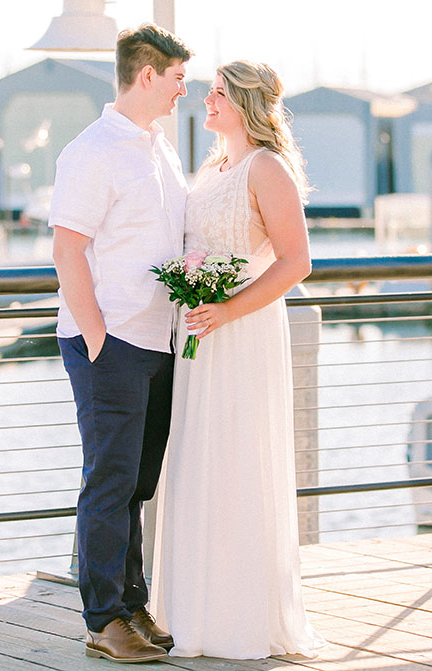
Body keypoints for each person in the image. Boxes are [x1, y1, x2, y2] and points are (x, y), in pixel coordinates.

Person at [153, 60, 325, 659]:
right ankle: (193, 611)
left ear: (245, 103)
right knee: (201, 460)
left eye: (219, 92)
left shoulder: (265, 167)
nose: (207, 98)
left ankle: (241, 618)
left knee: (238, 460)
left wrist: (227, 310)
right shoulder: (211, 168)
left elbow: (295, 261)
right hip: (200, 336)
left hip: (242, 333)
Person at [49, 23, 190, 664]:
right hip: (112, 341)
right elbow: (68, 248)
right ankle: (102, 618)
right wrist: (98, 337)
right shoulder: (92, 151)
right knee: (108, 483)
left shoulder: (160, 147)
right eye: (178, 78)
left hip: (157, 339)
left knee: (136, 482)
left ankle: (132, 603)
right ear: (146, 75)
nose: (184, 90)